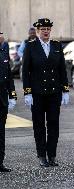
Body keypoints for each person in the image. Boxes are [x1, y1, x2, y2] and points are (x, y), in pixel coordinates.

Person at [22, 18, 70, 167]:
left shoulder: (56, 45)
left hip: (54, 93)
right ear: (37, 31)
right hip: (37, 93)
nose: (46, 31)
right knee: (39, 126)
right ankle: (42, 155)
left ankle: (52, 155)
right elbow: (25, 71)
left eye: (48, 29)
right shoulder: (31, 47)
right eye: (43, 29)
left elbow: (62, 69)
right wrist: (27, 92)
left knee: (54, 125)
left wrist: (65, 89)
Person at [0, 32, 17, 172]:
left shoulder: (4, 51)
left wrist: (12, 95)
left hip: (2, 99)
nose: (1, 36)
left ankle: (0, 162)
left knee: (1, 132)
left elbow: (9, 76)